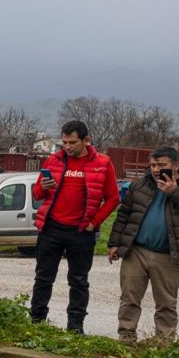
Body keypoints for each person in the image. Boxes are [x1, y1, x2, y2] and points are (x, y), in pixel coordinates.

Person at [107, 146, 179, 342]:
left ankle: (164, 343)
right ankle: (126, 337)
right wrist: (114, 244)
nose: (155, 169)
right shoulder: (141, 184)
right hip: (137, 251)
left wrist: (174, 192)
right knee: (129, 298)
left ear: (176, 165)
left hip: (169, 254)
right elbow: (124, 215)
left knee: (166, 303)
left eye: (161, 165)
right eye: (153, 165)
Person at [30, 119, 120, 333]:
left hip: (81, 232)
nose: (67, 147)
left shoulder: (103, 163)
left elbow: (113, 198)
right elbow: (37, 194)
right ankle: (36, 322)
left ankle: (75, 327)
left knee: (79, 281)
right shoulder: (53, 160)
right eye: (64, 143)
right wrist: (43, 186)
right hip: (51, 228)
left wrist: (94, 223)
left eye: (72, 142)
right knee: (43, 278)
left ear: (86, 140)